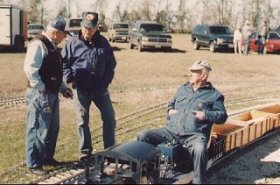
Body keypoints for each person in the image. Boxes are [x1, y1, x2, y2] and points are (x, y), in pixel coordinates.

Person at [137, 60, 228, 184]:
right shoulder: (183, 89)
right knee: (143, 135)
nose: (190, 74)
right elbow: (171, 104)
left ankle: (198, 181)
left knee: (200, 149)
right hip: (171, 131)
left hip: (194, 135)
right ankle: (148, 176)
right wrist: (169, 111)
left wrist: (206, 114)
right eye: (190, 71)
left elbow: (222, 116)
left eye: (194, 72)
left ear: (203, 76)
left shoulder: (214, 95)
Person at [61, 12, 117, 160]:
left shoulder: (104, 42)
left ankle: (110, 150)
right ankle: (85, 151)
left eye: (91, 29)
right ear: (81, 26)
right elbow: (64, 62)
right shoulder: (72, 43)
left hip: (100, 89)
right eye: (85, 28)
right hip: (81, 89)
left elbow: (112, 63)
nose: (87, 32)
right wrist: (69, 77)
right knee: (82, 121)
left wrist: (106, 81)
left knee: (109, 118)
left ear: (97, 28)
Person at [24, 16, 73, 175]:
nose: (64, 37)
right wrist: (42, 89)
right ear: (56, 33)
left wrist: (63, 88)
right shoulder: (38, 44)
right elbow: (31, 70)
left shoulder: (52, 46)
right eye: (63, 34)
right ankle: (34, 163)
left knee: (52, 127)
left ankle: (47, 157)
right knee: (38, 127)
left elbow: (54, 72)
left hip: (51, 93)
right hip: (40, 94)